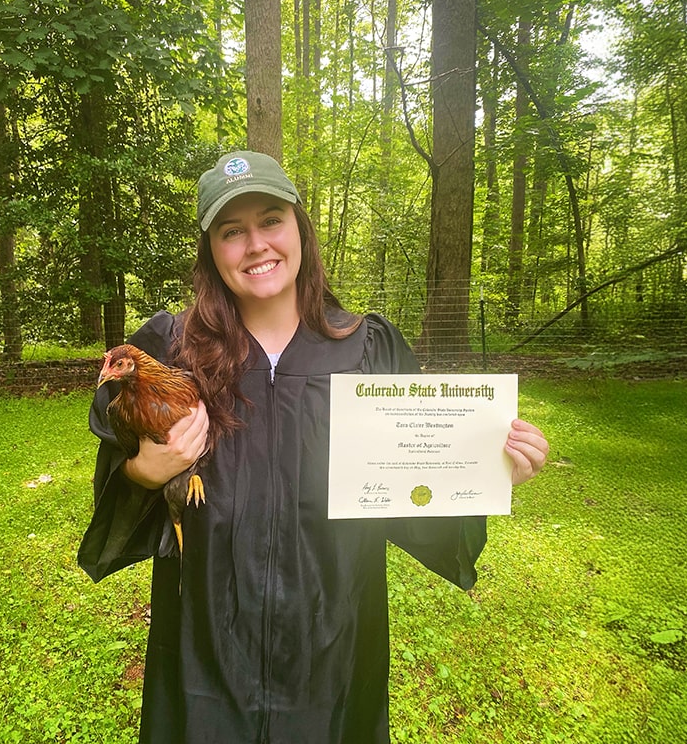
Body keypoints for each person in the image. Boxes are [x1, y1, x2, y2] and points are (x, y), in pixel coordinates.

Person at [78, 151, 548, 744]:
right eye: (231, 231)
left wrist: (488, 468)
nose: (255, 245)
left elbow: (411, 478)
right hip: (207, 633)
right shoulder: (172, 349)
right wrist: (147, 473)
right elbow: (118, 463)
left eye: (271, 220)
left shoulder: (365, 349)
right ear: (212, 252)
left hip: (334, 627)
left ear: (300, 227)